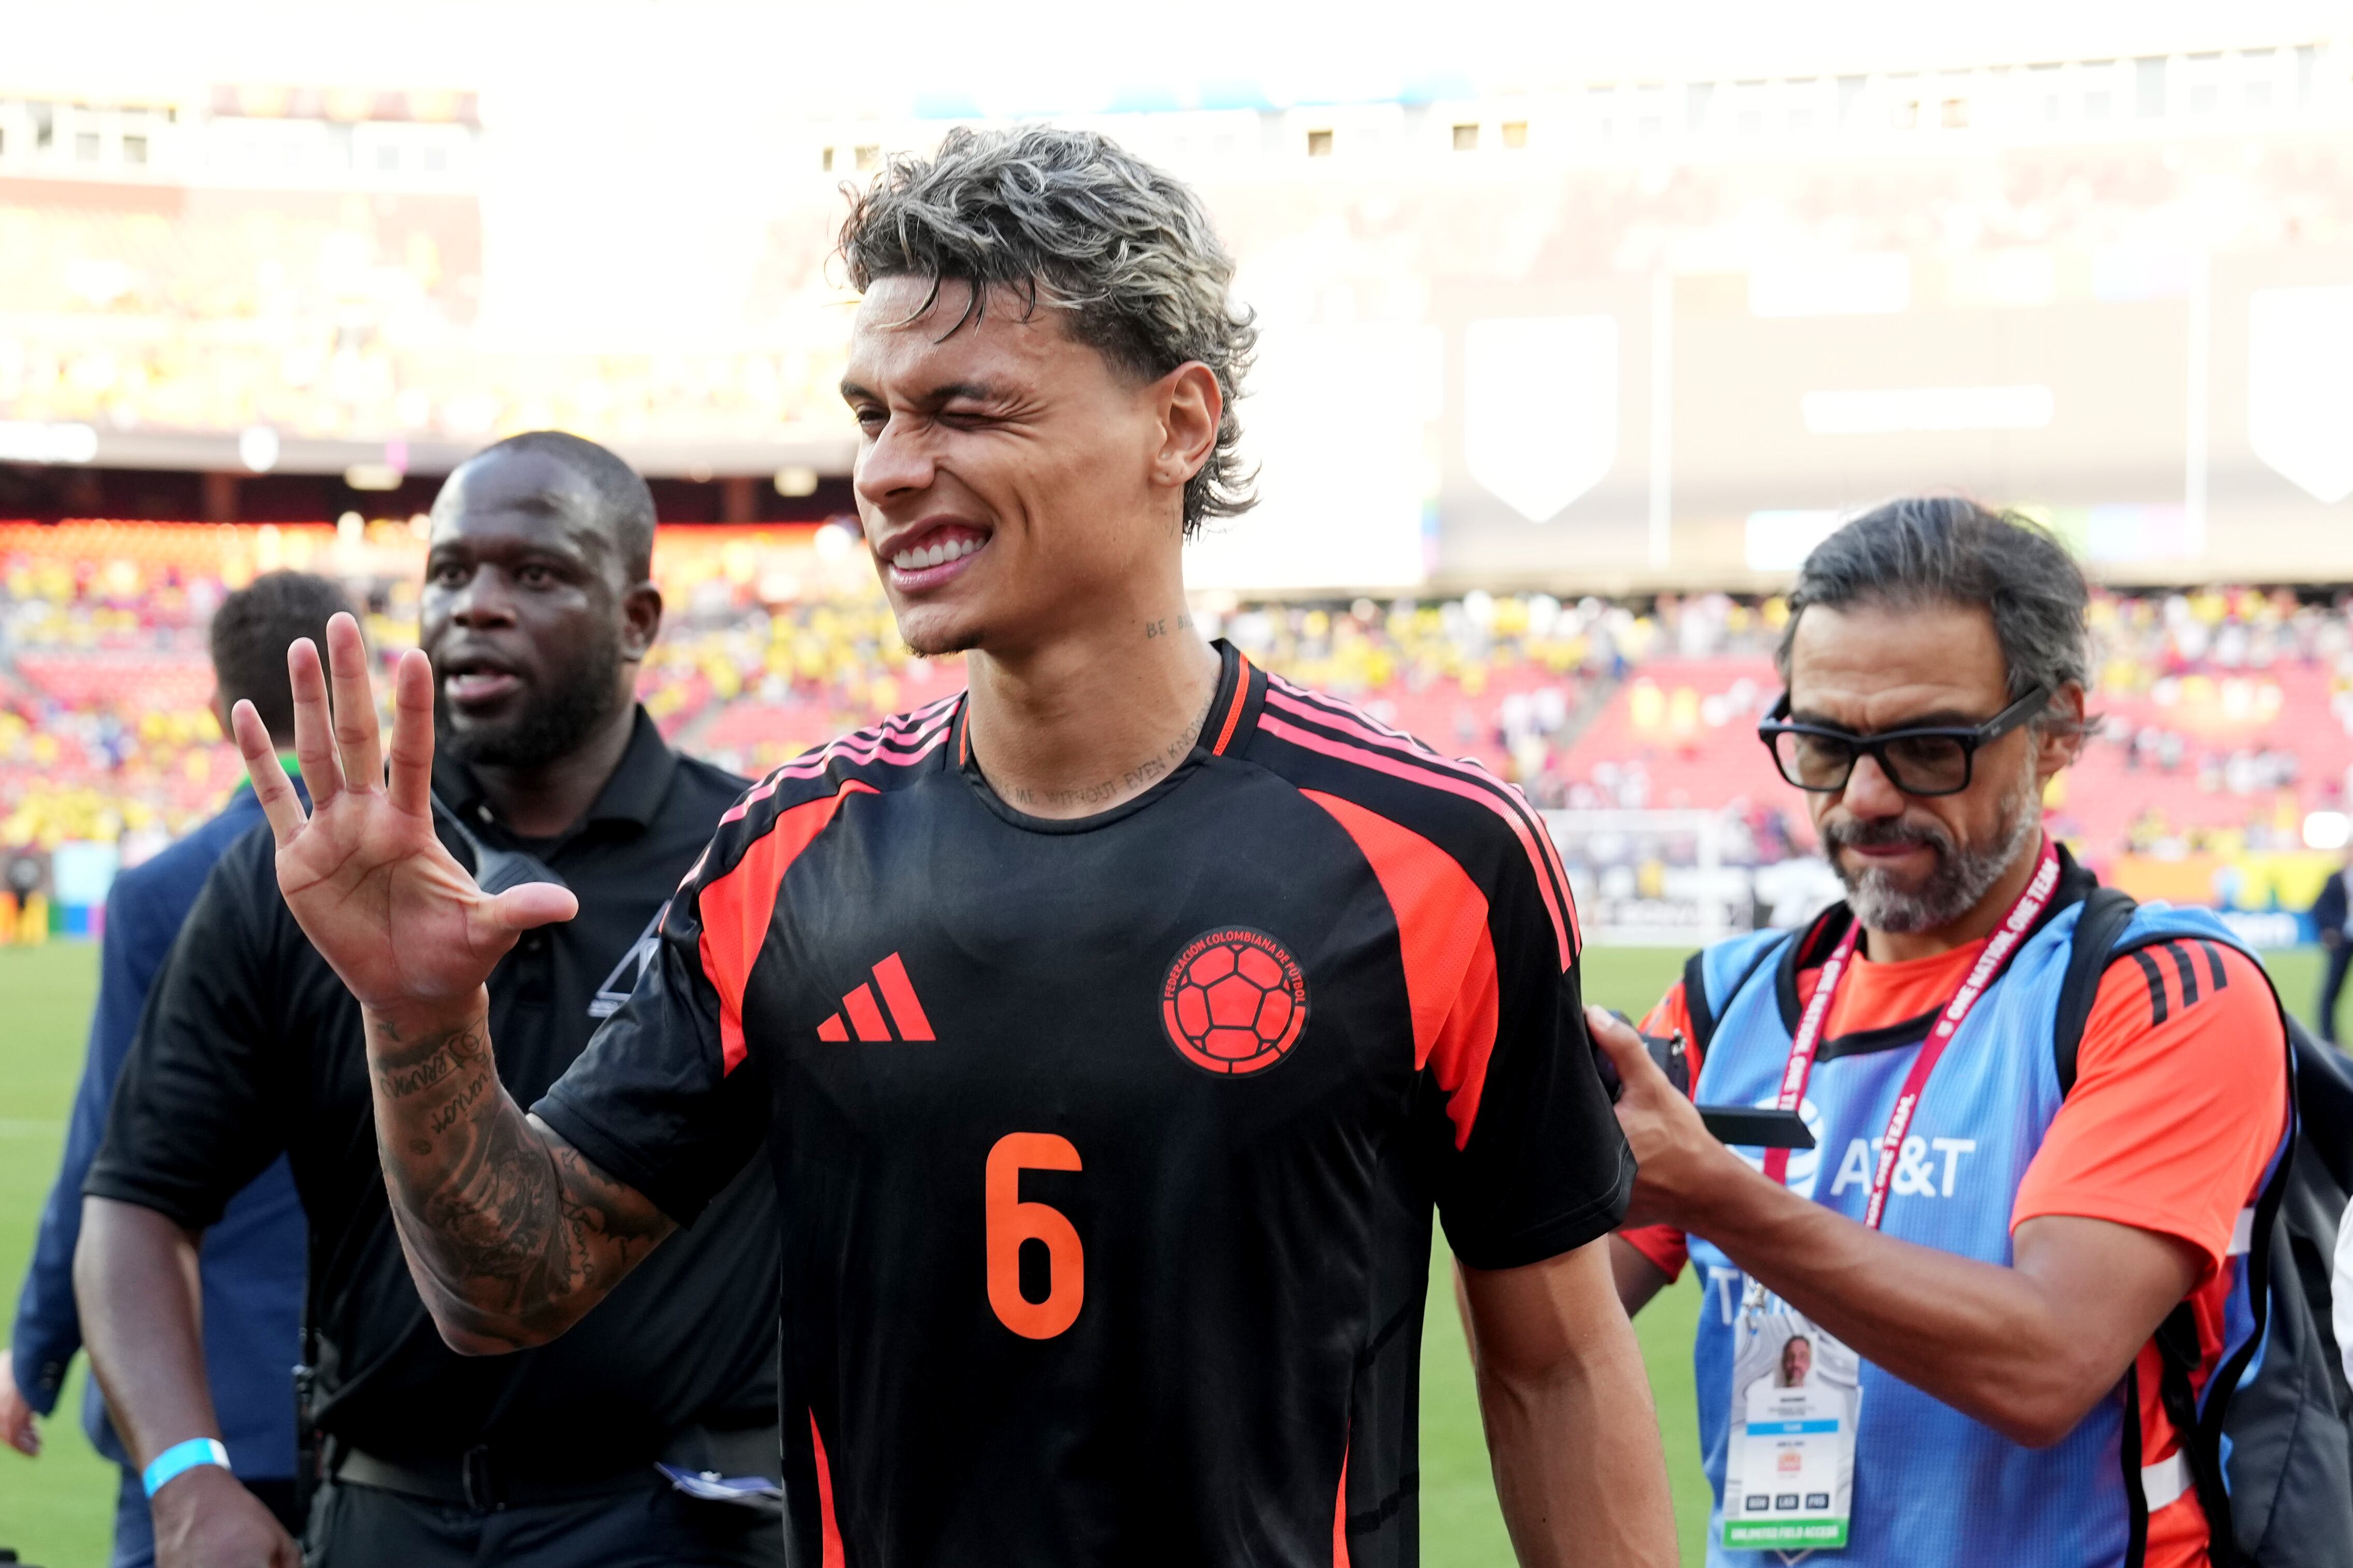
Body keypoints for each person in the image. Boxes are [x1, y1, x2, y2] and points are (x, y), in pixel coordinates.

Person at [215, 128, 1675, 1567]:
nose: (892, 471)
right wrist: (418, 1025)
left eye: (966, 410)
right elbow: (509, 1286)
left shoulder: (1435, 856)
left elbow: (1553, 1369)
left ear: (1177, 423)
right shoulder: (788, 856)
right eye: (872, 416)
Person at [78, 432, 782, 1568]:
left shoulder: (754, 859)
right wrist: (181, 1475)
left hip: (679, 1519)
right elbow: (136, 1200)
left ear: (639, 620)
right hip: (382, 1516)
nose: (475, 608)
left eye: (535, 574)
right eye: (448, 573)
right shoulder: (303, 868)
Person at [1596, 499, 2291, 1566]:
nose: (1865, 797)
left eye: (1927, 747)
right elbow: (1555, 1302)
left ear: (2054, 729)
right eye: (1823, 743)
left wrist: (1717, 1195)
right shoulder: (1718, 1004)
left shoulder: (2159, 992)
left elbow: (2048, 1364)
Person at [3, 572, 344, 1566]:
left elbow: (109, 1158)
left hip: (192, 1398)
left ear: (214, 703)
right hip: (392, 1403)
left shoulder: (162, 891)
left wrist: (37, 1350)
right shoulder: (449, 862)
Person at [2312, 845, 2352, 1042]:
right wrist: (2329, 930)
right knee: (2331, 990)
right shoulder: (2335, 879)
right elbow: (2319, 907)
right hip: (2343, 941)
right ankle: (2328, 1038)